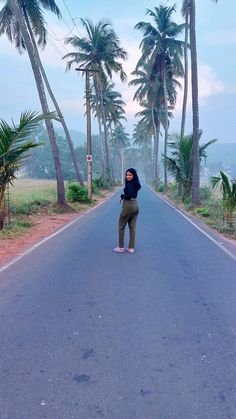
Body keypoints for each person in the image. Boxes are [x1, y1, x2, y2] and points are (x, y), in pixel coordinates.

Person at [114, 168, 141, 254]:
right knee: (132, 228)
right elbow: (132, 194)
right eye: (127, 175)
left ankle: (121, 247)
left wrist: (122, 195)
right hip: (135, 206)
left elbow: (129, 195)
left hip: (128, 205)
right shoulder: (136, 184)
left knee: (121, 226)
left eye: (130, 175)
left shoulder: (129, 184)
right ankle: (131, 248)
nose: (128, 176)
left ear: (134, 176)